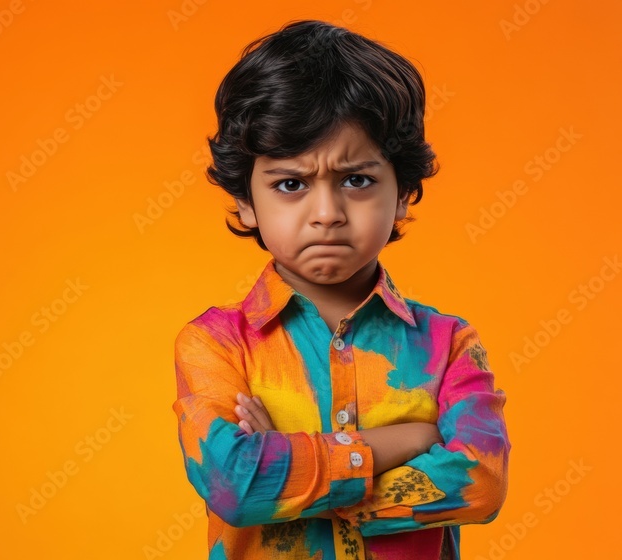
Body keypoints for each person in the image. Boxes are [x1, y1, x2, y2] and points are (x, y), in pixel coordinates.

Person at [171, 19, 510, 559]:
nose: (326, 214)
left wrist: (286, 464)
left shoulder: (449, 345)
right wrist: (409, 441)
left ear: (403, 193)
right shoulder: (216, 345)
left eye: (356, 180)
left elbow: (480, 483)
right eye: (290, 184)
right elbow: (235, 486)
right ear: (245, 200)